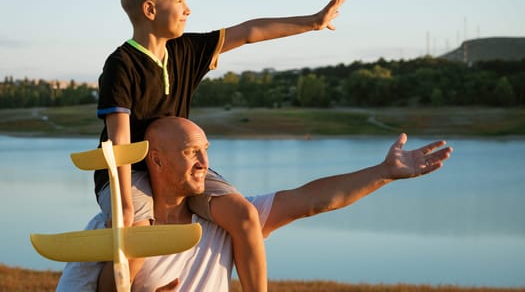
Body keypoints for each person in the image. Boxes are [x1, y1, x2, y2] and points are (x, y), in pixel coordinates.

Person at [94, 0, 347, 291]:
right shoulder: (121, 64)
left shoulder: (186, 49)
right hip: (130, 172)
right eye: (181, 1)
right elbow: (119, 138)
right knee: (139, 237)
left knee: (244, 216)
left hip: (180, 166)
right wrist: (125, 204)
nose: (189, 9)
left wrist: (312, 22)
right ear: (150, 9)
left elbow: (250, 31)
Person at [56, 116, 453, 291]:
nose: (205, 163)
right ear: (156, 160)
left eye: (206, 150)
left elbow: (312, 200)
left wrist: (383, 172)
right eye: (192, 152)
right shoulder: (111, 227)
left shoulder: (225, 221)